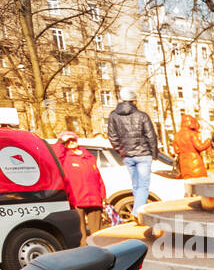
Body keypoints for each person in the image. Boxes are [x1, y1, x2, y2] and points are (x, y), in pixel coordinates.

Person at [106, 89, 159, 219]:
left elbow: (112, 136)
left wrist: (121, 150)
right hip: (143, 154)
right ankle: (137, 212)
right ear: (134, 101)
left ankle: (140, 210)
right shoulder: (142, 115)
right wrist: (154, 154)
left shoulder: (113, 116)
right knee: (143, 186)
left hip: (127, 155)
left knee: (136, 185)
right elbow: (151, 136)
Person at [53, 131, 106, 244]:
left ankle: (100, 250)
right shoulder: (64, 156)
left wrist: (103, 195)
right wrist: (61, 142)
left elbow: (98, 176)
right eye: (67, 141)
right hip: (76, 199)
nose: (71, 142)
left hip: (94, 198)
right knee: (80, 231)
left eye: (73, 139)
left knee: (97, 232)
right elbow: (55, 154)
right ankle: (84, 252)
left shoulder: (88, 156)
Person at [173, 113, 210, 179]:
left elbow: (177, 151)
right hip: (195, 164)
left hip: (184, 165)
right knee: (200, 184)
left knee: (189, 186)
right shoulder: (192, 134)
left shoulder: (176, 135)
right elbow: (200, 147)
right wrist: (208, 141)